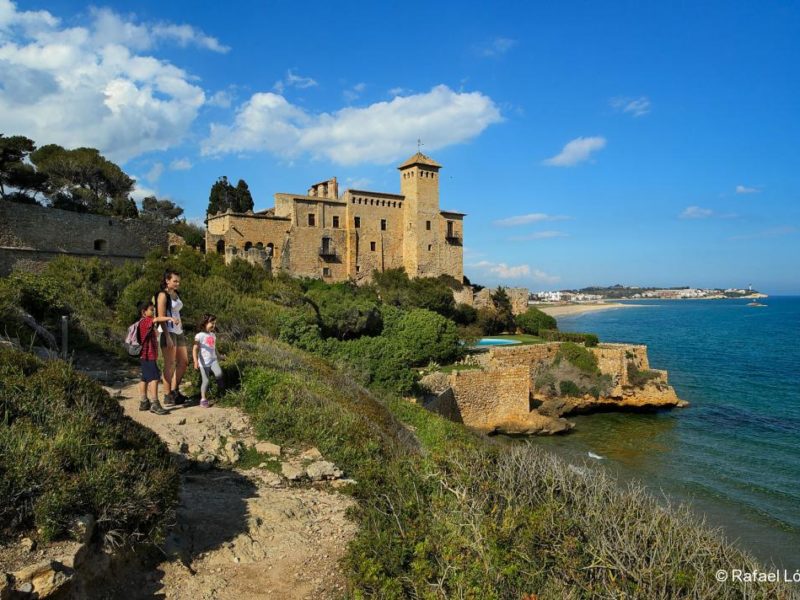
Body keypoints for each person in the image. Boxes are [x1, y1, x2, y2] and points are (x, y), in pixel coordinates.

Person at [156, 270, 189, 407]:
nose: (177, 283)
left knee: (184, 362)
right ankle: (167, 395)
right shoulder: (162, 295)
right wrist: (167, 336)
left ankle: (174, 390)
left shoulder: (176, 294)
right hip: (167, 331)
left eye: (178, 281)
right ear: (167, 281)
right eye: (175, 281)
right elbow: (161, 316)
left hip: (178, 330)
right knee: (169, 364)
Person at [136, 300, 176, 415]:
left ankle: (144, 402)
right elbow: (157, 319)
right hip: (148, 355)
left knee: (144, 378)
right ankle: (155, 403)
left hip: (144, 356)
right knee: (154, 377)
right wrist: (170, 318)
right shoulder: (145, 321)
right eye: (151, 310)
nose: (153, 312)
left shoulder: (143, 323)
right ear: (144, 312)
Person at [193, 314, 224, 408]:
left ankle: (220, 390)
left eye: (215, 323)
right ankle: (203, 399)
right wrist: (195, 361)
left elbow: (214, 348)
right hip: (203, 363)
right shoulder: (199, 336)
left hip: (213, 360)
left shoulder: (213, 335)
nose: (214, 325)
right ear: (204, 323)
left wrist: (219, 356)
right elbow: (195, 349)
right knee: (205, 381)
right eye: (212, 323)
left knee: (219, 374)